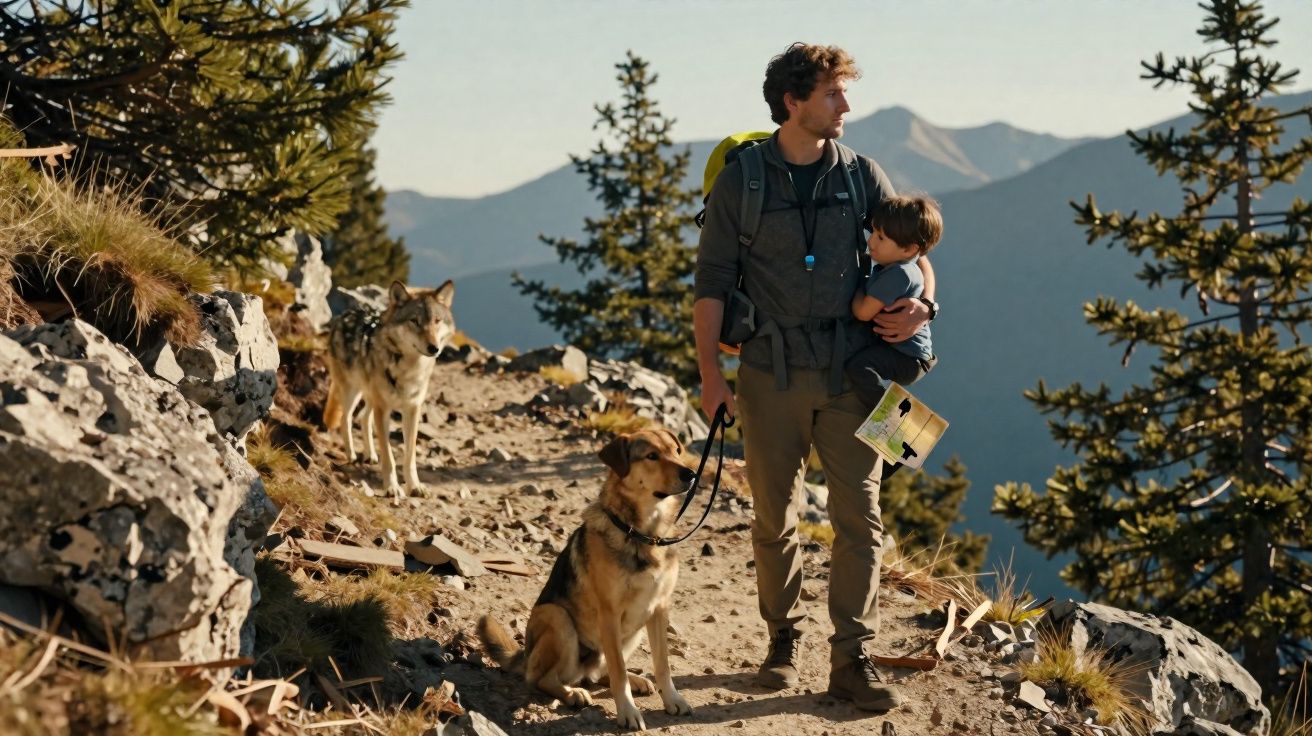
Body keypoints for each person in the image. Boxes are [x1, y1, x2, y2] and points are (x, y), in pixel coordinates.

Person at [692, 43, 936, 712]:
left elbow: (916, 246)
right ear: (793, 102)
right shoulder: (741, 181)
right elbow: (711, 283)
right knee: (774, 517)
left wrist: (924, 303)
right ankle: (782, 638)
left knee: (862, 518)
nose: (847, 106)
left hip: (853, 377)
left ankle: (851, 660)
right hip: (768, 375)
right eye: (833, 94)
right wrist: (712, 375)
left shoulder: (863, 175)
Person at [846, 195, 942, 410]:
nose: (871, 241)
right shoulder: (903, 266)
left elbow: (862, 312)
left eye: (881, 237)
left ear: (909, 249)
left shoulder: (898, 275)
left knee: (860, 367)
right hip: (911, 355)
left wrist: (858, 279)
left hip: (906, 358)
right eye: (873, 232)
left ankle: (889, 416)